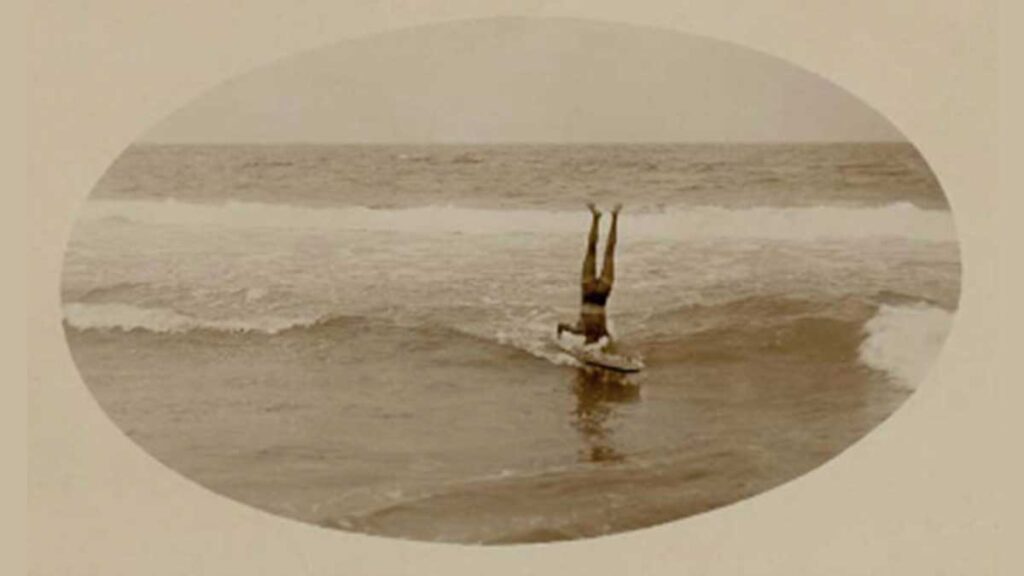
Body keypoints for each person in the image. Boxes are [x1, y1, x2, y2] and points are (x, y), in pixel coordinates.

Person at [557, 203, 621, 346]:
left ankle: (596, 217)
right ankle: (614, 217)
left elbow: (561, 326)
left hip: (588, 289)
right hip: (602, 294)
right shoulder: (602, 333)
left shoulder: (580, 330)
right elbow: (612, 342)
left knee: (591, 249)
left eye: (587, 342)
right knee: (609, 252)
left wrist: (559, 341)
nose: (589, 341)